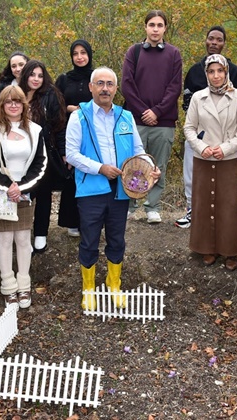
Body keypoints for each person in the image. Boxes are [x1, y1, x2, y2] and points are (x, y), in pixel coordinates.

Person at [65, 67, 160, 309]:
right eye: (100, 83)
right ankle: (88, 288)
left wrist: (151, 169)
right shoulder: (79, 116)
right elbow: (72, 155)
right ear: (91, 87)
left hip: (121, 190)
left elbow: (139, 151)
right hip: (91, 189)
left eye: (109, 84)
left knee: (117, 239)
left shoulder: (126, 116)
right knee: (89, 240)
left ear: (116, 89)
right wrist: (100, 168)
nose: (105, 88)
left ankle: (113, 284)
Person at [0, 86, 47, 308]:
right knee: (6, 240)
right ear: (2, 105)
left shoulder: (35, 131)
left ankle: (24, 285)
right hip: (2, 194)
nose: (13, 105)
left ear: (23, 104)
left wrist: (23, 188)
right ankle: (8, 287)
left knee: (23, 239)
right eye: (8, 101)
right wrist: (8, 187)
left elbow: (40, 163)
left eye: (17, 101)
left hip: (25, 194)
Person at [183, 54, 237, 270]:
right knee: (203, 203)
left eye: (219, 71)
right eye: (211, 71)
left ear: (226, 72)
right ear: (206, 74)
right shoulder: (198, 97)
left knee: (228, 205)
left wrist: (225, 148)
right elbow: (189, 128)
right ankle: (206, 248)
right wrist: (202, 148)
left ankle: (229, 251)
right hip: (203, 158)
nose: (216, 75)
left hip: (228, 159)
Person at [176, 25, 237, 228]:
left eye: (219, 39)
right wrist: (199, 131)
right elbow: (187, 102)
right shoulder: (195, 71)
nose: (214, 42)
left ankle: (221, 218)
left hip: (227, 140)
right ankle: (192, 211)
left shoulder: (233, 70)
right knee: (192, 175)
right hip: (199, 135)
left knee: (223, 184)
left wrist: (228, 138)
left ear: (224, 44)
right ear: (205, 41)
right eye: (211, 39)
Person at [122, 10, 182, 224]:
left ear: (165, 28)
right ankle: (130, 204)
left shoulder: (173, 54)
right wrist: (143, 111)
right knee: (133, 163)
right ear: (145, 27)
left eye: (159, 25)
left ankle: (152, 206)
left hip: (163, 122)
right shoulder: (134, 52)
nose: (155, 29)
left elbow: (175, 87)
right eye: (152, 25)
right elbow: (127, 85)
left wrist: (157, 111)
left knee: (158, 166)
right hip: (135, 120)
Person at [19, 60, 70, 253]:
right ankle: (23, 234)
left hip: (44, 153)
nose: (36, 79)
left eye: (40, 75)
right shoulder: (15, 94)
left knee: (43, 194)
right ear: (25, 75)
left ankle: (41, 233)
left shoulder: (52, 95)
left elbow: (60, 126)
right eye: (32, 75)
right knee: (24, 193)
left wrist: (64, 152)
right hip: (19, 153)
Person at [55, 40, 95, 237]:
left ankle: (91, 221)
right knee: (72, 176)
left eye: (83, 53)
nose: (80, 57)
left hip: (93, 133)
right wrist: (70, 108)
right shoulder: (64, 79)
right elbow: (55, 107)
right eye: (75, 53)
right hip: (70, 132)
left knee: (92, 175)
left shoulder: (96, 78)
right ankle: (71, 221)